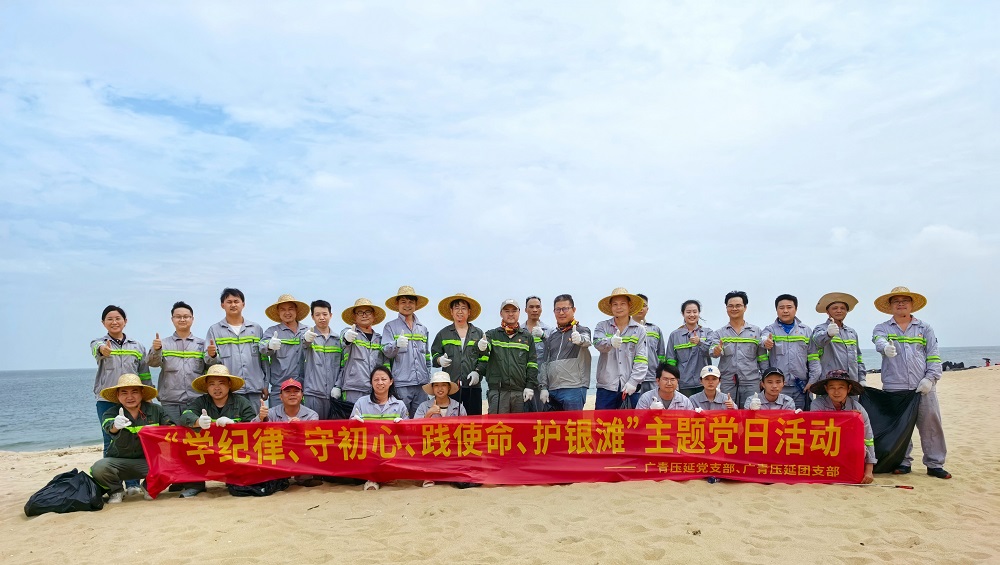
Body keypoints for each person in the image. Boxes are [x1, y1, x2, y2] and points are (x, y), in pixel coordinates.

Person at [872, 286, 949, 479]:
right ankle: (903, 462)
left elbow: (933, 356)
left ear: (912, 304)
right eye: (896, 301)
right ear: (890, 306)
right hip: (894, 386)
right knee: (900, 428)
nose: (900, 304)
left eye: (904, 300)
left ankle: (934, 464)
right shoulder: (882, 328)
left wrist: (930, 379)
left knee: (931, 425)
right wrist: (885, 347)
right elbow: (878, 340)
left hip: (922, 386)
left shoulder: (924, 328)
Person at [90, 305, 149, 494]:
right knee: (110, 440)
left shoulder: (137, 346)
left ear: (125, 321)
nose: (114, 322)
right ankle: (113, 487)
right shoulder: (98, 342)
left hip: (133, 399)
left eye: (118, 318)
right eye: (110, 319)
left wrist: (148, 397)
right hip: (107, 400)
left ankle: (132, 485)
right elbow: (97, 350)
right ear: (103, 323)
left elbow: (144, 373)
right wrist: (103, 350)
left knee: (133, 439)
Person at [90, 374, 173, 503]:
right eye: (124, 393)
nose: (130, 397)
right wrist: (115, 425)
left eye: (134, 392)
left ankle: (149, 487)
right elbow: (108, 426)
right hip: (119, 463)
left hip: (148, 462)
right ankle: (116, 491)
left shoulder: (157, 410)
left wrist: (159, 432)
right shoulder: (111, 412)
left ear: (142, 393)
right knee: (99, 468)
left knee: (172, 463)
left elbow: (172, 430)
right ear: (118, 395)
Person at [178, 364, 257, 497]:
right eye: (212, 384)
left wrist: (234, 425)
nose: (216, 388)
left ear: (229, 384)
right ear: (206, 387)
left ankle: (236, 480)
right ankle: (195, 485)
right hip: (208, 450)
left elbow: (253, 426)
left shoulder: (242, 402)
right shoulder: (201, 402)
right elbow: (185, 416)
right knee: (187, 448)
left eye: (221, 383)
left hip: (234, 449)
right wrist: (197, 422)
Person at [252, 378, 322, 488]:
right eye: (288, 391)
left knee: (312, 449)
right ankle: (278, 476)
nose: (292, 394)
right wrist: (260, 418)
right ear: (280, 396)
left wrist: (301, 427)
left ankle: (305, 478)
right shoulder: (270, 413)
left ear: (302, 395)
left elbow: (314, 437)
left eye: (296, 391)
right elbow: (251, 429)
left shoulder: (312, 415)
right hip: (279, 449)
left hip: (300, 448)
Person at [808, 370, 876, 484]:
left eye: (841, 387)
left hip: (848, 451)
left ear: (849, 388)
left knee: (860, 448)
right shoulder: (817, 404)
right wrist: (848, 417)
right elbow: (816, 429)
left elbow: (868, 439)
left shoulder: (858, 409)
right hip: (825, 449)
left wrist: (869, 471)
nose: (836, 392)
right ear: (826, 389)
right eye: (832, 387)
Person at [350, 367, 409, 491]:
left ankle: (386, 475)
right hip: (368, 447)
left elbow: (409, 431)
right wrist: (354, 422)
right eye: (376, 379)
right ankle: (372, 478)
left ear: (391, 381)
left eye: (383, 379)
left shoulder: (400, 405)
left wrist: (403, 424)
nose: (380, 382)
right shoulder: (361, 402)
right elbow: (349, 428)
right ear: (371, 382)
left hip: (391, 448)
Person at [204, 288, 268, 402]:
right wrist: (212, 355)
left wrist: (266, 384)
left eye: (236, 301)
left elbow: (263, 359)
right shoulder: (215, 330)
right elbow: (209, 361)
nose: (233, 305)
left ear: (243, 304)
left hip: (255, 388)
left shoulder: (256, 329)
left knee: (256, 414)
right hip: (230, 390)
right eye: (229, 302)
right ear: (222, 305)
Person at [476, 299, 539, 414]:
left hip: (520, 393)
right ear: (501, 313)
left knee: (520, 425)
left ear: (519, 312)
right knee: (497, 424)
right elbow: (484, 348)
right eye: (507, 311)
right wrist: (482, 346)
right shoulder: (492, 334)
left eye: (514, 311)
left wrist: (530, 386)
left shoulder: (527, 337)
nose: (510, 314)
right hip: (498, 392)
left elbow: (532, 364)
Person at [759, 294, 820, 410]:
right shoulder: (770, 330)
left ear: (796, 309)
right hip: (777, 388)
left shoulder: (806, 331)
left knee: (799, 417)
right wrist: (765, 342)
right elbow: (762, 339)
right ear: (776, 310)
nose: (785, 311)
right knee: (778, 418)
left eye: (789, 307)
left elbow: (813, 358)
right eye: (781, 308)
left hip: (801, 387)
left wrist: (812, 381)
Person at [147, 301, 206, 424]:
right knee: (172, 433)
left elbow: (211, 367)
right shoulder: (163, 344)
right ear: (172, 319)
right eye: (178, 316)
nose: (182, 319)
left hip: (197, 400)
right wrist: (156, 350)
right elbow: (152, 363)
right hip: (170, 402)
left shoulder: (202, 344)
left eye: (186, 316)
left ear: (192, 319)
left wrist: (213, 355)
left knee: (197, 433)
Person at [430, 293, 487, 416]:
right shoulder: (443, 334)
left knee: (473, 422)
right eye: (457, 308)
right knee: (451, 421)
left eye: (463, 308)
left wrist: (478, 372)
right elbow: (434, 356)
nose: (460, 311)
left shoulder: (478, 333)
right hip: (450, 387)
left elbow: (484, 358)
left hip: (473, 387)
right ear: (451, 311)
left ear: (469, 312)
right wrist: (439, 360)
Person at [381, 286, 432, 418]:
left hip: (422, 384)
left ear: (416, 305)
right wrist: (396, 344)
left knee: (420, 420)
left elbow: (427, 357)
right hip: (401, 384)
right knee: (400, 419)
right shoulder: (390, 327)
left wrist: (428, 377)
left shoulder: (423, 329)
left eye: (411, 302)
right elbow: (386, 351)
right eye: (403, 302)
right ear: (397, 304)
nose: (407, 305)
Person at [593, 288, 648, 409]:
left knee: (631, 421)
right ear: (611, 307)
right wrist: (610, 342)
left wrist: (633, 382)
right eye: (615, 304)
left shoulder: (639, 330)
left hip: (630, 388)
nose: (619, 307)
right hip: (606, 387)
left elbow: (641, 359)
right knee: (602, 420)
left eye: (623, 303)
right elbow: (597, 343)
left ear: (629, 305)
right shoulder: (602, 326)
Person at [712, 291, 766, 408]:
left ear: (745, 308)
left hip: (751, 382)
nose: (734, 309)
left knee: (751, 412)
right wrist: (715, 351)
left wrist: (764, 379)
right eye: (730, 306)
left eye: (738, 305)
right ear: (726, 308)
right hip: (728, 382)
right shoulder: (719, 333)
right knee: (728, 412)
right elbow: (713, 351)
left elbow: (762, 358)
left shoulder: (756, 332)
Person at [538, 294, 592, 411]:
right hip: (552, 390)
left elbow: (587, 340)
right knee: (553, 423)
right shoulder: (553, 336)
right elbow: (545, 363)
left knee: (573, 422)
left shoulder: (582, 330)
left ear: (574, 310)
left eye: (565, 309)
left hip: (574, 388)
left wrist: (580, 339)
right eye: (558, 309)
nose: (561, 313)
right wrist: (543, 387)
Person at [810, 292, 867, 388]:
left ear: (847, 311)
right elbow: (818, 340)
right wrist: (828, 334)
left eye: (842, 308)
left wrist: (862, 378)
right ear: (827, 312)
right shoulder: (820, 328)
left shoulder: (851, 332)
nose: (839, 311)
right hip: (829, 384)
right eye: (835, 308)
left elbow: (858, 358)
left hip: (851, 383)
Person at [261, 294, 310, 403]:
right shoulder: (272, 331)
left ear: (296, 310)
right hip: (279, 389)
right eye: (283, 309)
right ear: (278, 312)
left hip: (303, 388)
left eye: (290, 309)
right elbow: (262, 347)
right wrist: (269, 345)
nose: (287, 312)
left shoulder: (307, 330)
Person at [337, 298, 386, 404]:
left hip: (375, 388)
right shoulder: (350, 332)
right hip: (353, 387)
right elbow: (344, 339)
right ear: (354, 317)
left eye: (368, 312)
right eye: (360, 312)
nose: (364, 315)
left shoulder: (379, 339)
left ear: (373, 316)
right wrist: (347, 337)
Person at [664, 299, 716, 397]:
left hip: (704, 382)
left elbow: (712, 353)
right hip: (684, 384)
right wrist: (673, 381)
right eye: (688, 312)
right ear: (683, 314)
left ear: (699, 313)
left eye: (695, 312)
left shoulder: (708, 333)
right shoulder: (675, 335)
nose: (692, 315)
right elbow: (670, 361)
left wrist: (699, 342)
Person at [301, 299, 342, 419]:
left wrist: (338, 386)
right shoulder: (308, 336)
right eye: (317, 315)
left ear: (331, 315)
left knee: (333, 428)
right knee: (312, 427)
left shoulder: (337, 340)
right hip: (313, 394)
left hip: (333, 394)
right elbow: (303, 344)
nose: (322, 318)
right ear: (312, 317)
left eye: (325, 314)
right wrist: (306, 339)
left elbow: (343, 366)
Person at [522, 296, 552, 411]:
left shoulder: (549, 330)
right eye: (531, 307)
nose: (534, 310)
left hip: (543, 384)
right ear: (525, 310)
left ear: (541, 309)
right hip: (523, 383)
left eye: (537, 307)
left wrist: (544, 336)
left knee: (542, 417)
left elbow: (554, 352)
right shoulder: (519, 331)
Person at [634, 293, 666, 395]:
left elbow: (661, 355)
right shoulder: (625, 329)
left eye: (643, 305)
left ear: (647, 309)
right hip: (632, 378)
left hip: (652, 378)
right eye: (637, 305)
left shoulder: (655, 329)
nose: (641, 308)